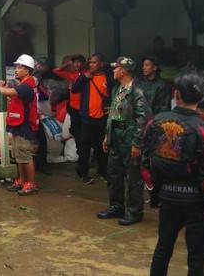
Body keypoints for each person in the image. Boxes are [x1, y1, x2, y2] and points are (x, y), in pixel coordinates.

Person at [143, 73, 204, 276]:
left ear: (176, 94)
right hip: (196, 202)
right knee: (197, 256)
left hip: (167, 197)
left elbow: (148, 164)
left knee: (163, 247)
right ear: (200, 99)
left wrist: (155, 196)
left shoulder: (156, 122)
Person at [98, 57, 152, 225]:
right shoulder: (116, 89)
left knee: (133, 178)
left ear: (123, 71)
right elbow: (114, 114)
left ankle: (134, 212)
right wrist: (108, 135)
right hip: (115, 138)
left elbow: (143, 118)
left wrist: (137, 143)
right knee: (113, 175)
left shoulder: (137, 91)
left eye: (116, 68)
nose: (113, 71)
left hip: (129, 140)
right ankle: (116, 207)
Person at [0, 54, 40, 196]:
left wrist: (0, 86)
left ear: (27, 70)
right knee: (18, 155)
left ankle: (31, 184)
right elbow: (15, 97)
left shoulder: (27, 86)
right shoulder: (23, 85)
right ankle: (22, 181)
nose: (16, 69)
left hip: (24, 126)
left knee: (25, 156)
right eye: (16, 66)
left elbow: (7, 92)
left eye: (19, 67)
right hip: (18, 125)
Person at [72, 53, 115, 184]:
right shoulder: (85, 77)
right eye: (90, 62)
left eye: (95, 62)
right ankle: (83, 172)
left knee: (102, 147)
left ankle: (103, 171)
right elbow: (74, 90)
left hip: (102, 118)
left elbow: (113, 93)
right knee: (84, 146)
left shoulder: (108, 77)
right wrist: (82, 78)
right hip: (87, 118)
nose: (91, 65)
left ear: (101, 64)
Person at [53, 54, 88, 163]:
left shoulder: (85, 75)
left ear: (83, 63)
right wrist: (68, 63)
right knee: (74, 129)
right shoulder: (73, 75)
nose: (76, 64)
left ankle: (82, 151)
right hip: (73, 108)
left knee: (82, 131)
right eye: (74, 62)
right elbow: (56, 71)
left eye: (78, 62)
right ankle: (80, 149)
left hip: (82, 108)